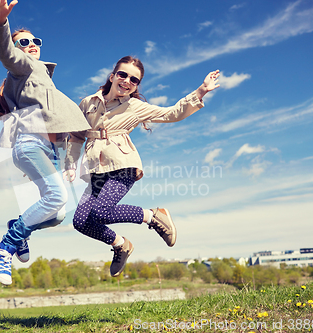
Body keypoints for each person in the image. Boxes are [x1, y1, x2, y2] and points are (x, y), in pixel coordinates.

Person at [64, 56, 220, 277]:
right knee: (81, 221)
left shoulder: (135, 106)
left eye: (134, 80)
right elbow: (77, 136)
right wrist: (70, 163)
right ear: (112, 76)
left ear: (136, 85)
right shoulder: (88, 103)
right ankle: (121, 245)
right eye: (123, 75)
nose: (127, 81)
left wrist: (200, 92)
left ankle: (153, 216)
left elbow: (171, 113)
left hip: (122, 164)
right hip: (95, 168)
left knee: (100, 211)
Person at [0, 0, 90, 285]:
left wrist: (68, 161)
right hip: (30, 143)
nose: (31, 45)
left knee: (56, 214)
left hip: (48, 150)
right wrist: (0, 24)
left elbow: (61, 128)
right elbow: (6, 54)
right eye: (24, 42)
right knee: (58, 197)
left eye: (35, 41)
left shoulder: (41, 78)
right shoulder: (23, 68)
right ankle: (4, 247)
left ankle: (17, 226)